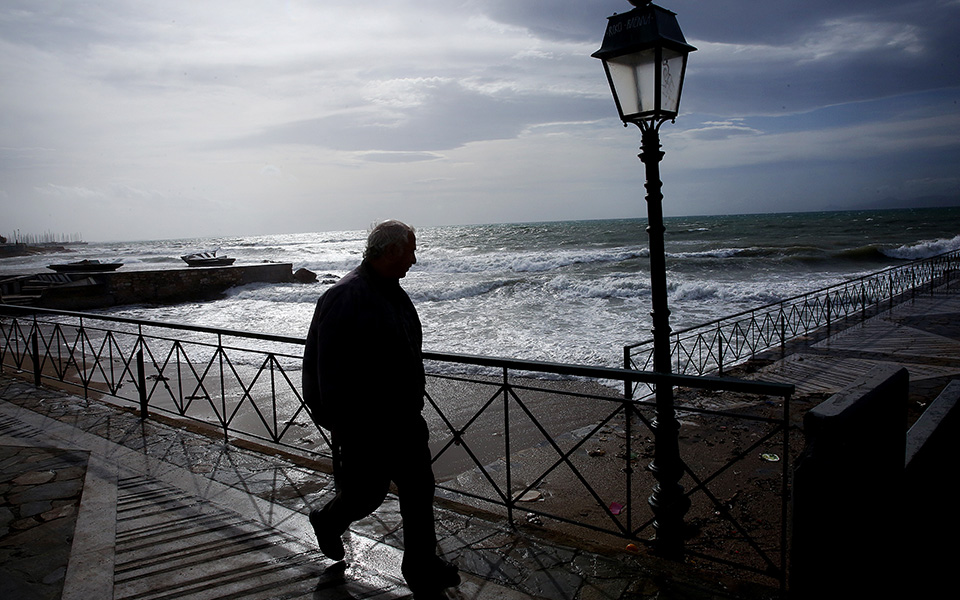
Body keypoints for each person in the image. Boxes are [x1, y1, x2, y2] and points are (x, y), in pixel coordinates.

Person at [302, 220, 459, 596]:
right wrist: (340, 423)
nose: (414, 260)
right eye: (410, 251)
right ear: (390, 252)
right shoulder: (346, 295)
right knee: (365, 495)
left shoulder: (391, 290)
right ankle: (326, 520)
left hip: (404, 418)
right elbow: (328, 369)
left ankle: (420, 565)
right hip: (365, 424)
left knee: (419, 490)